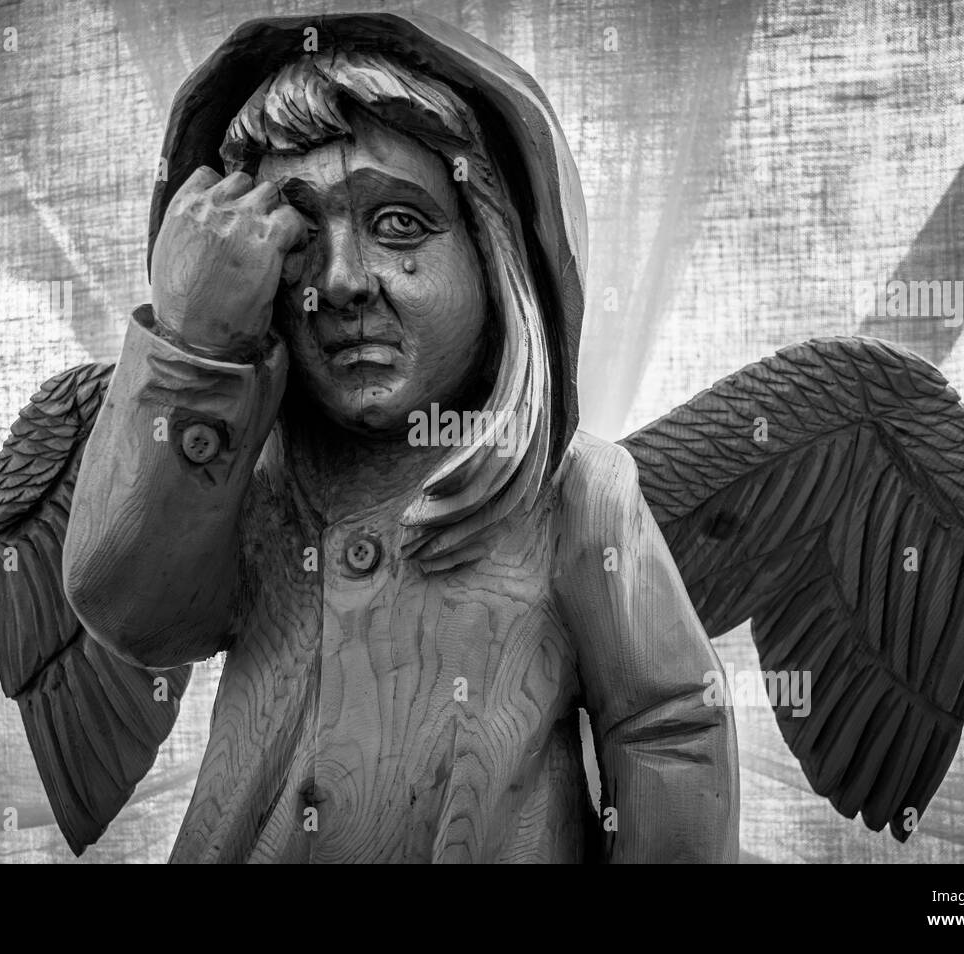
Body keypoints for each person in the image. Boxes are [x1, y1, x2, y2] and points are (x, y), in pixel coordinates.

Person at [62, 12, 738, 863]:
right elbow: (130, 606)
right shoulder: (248, 484)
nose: (342, 281)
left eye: (399, 225)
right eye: (298, 237)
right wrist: (197, 350)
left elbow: (669, 730)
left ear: (497, 254)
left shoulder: (573, 497)